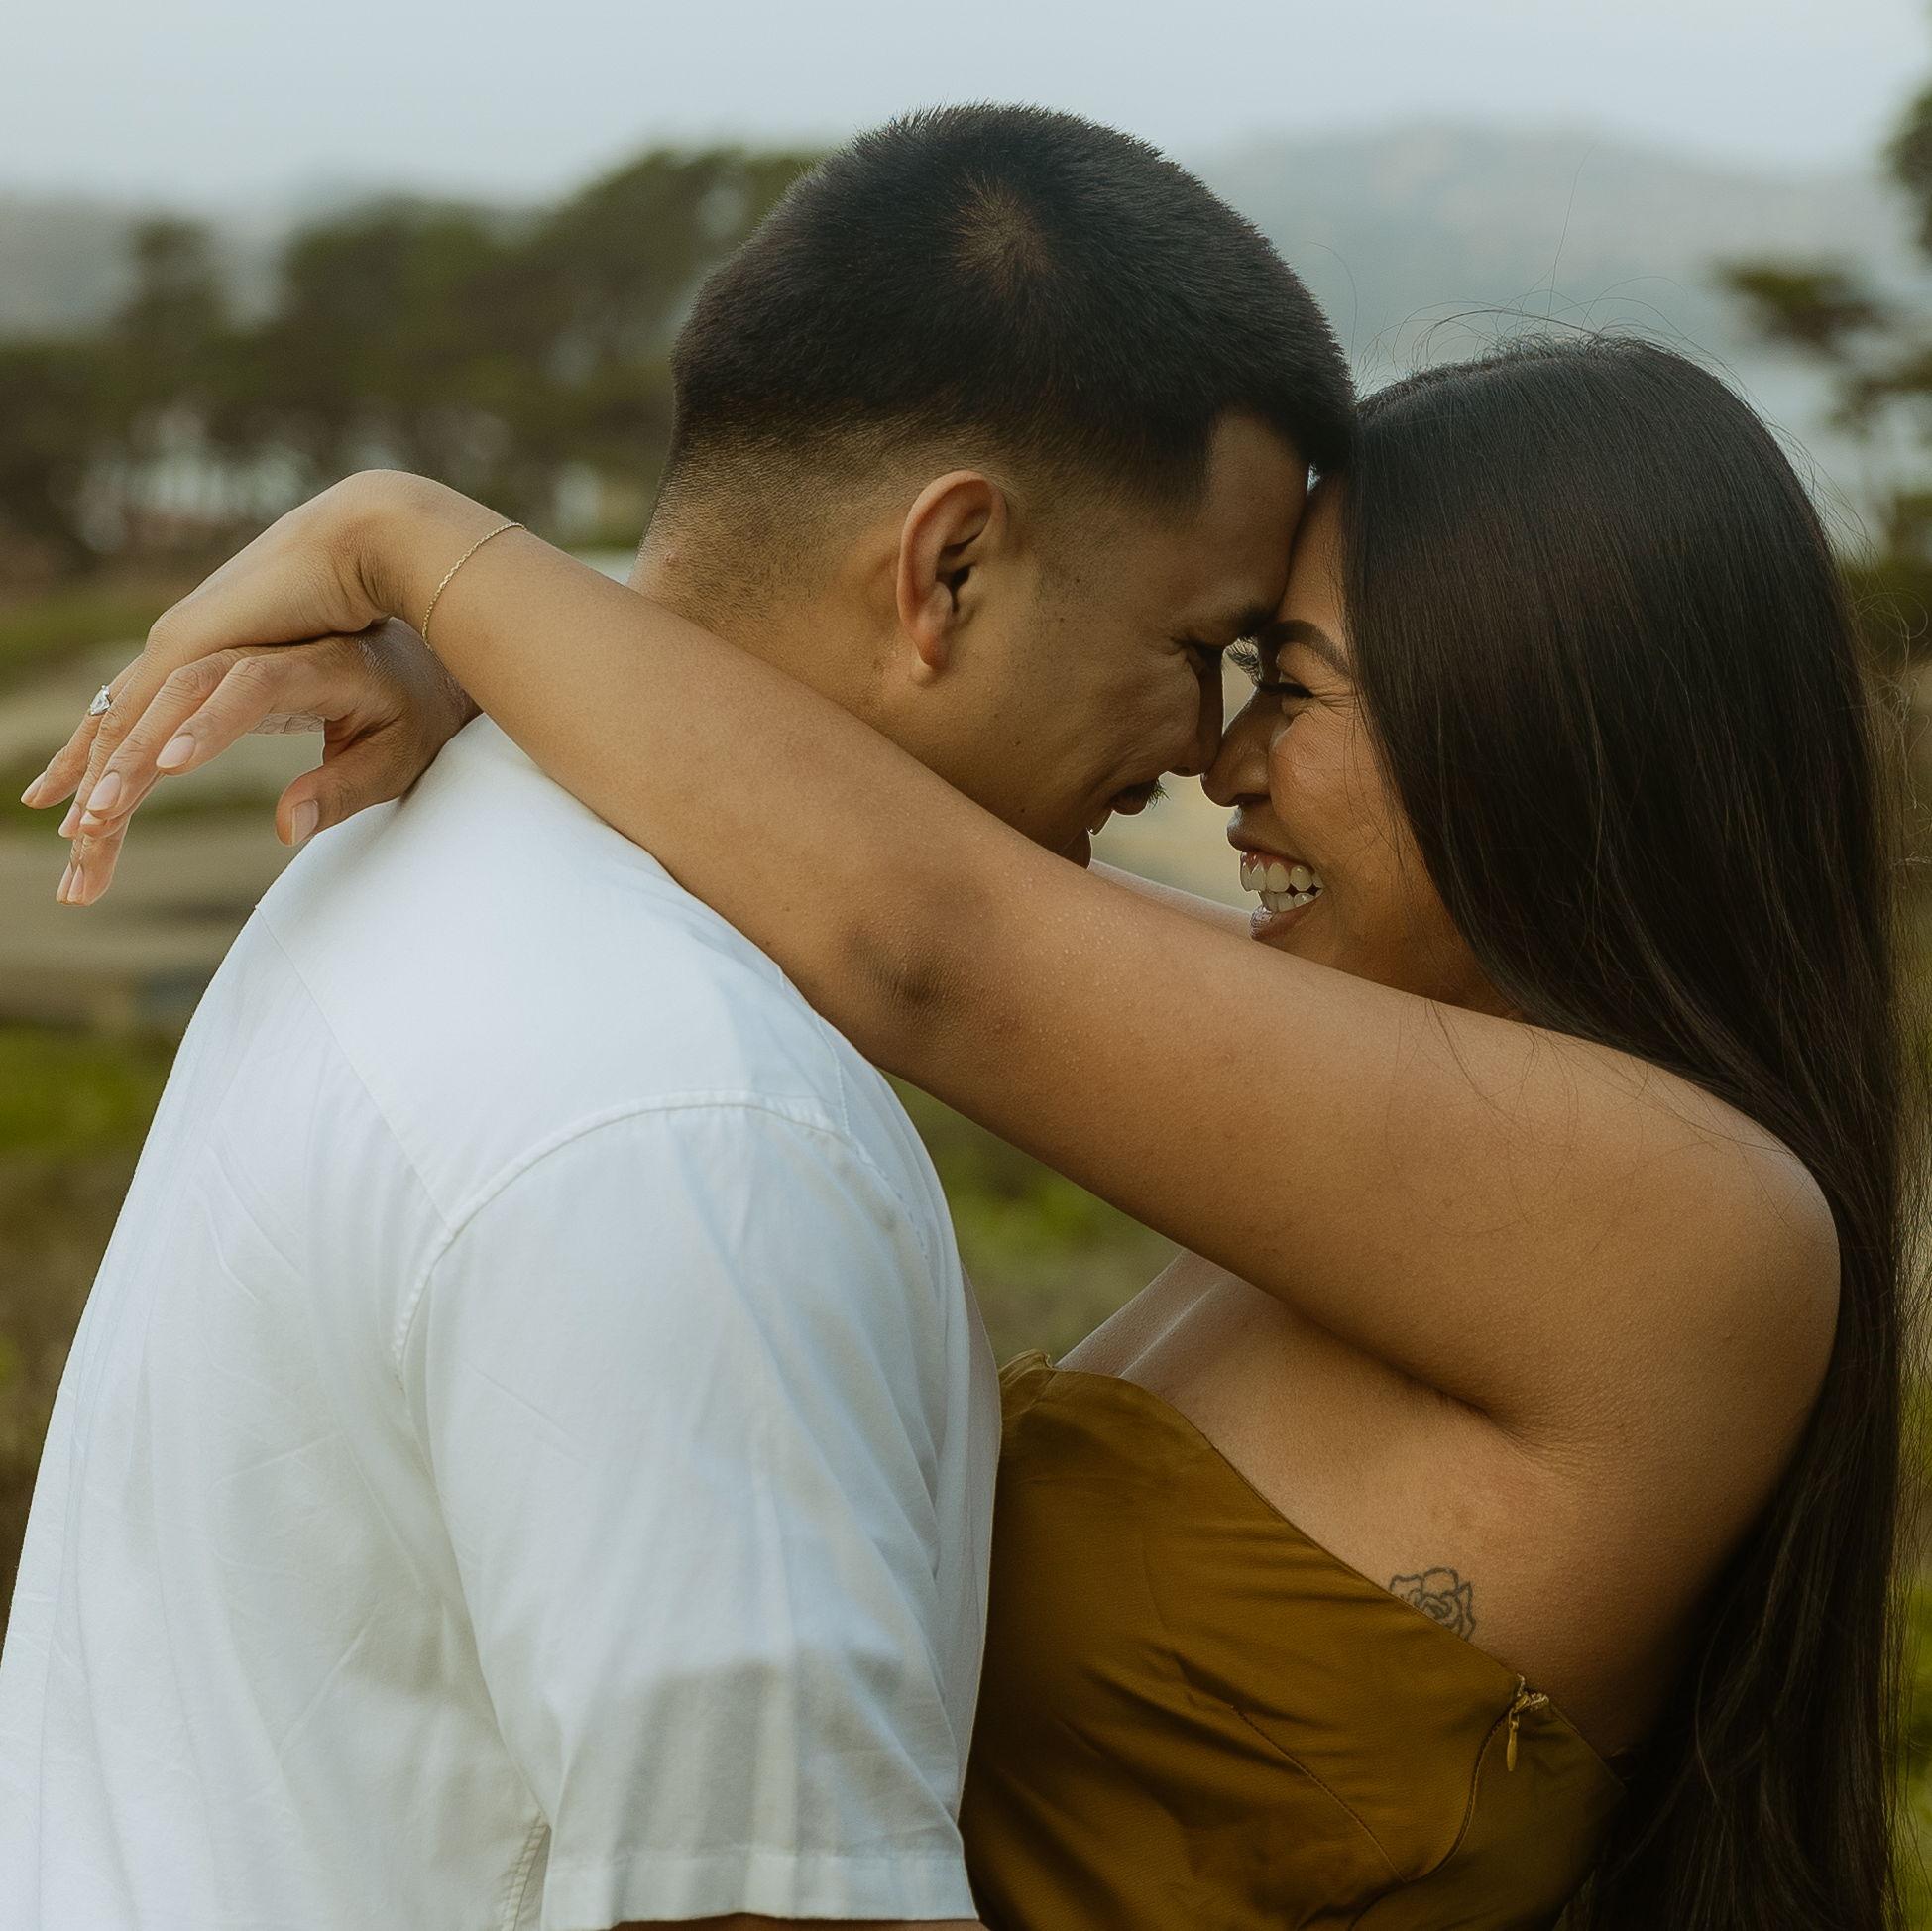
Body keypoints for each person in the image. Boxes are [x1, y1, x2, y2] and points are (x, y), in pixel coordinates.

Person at [47, 332, 1919, 1931]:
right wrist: (491, 686)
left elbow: (927, 934)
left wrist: (415, 541)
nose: (1224, 762)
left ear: (1547, 725)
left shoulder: (1693, 1222)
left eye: (1290, 684)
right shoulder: (1414, 1113)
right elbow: (849, 840)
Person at [0, 107, 1354, 1931]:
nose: (1205, 743)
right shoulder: (695, 1126)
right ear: (948, 568)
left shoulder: (443, 842)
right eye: (1197, 648)